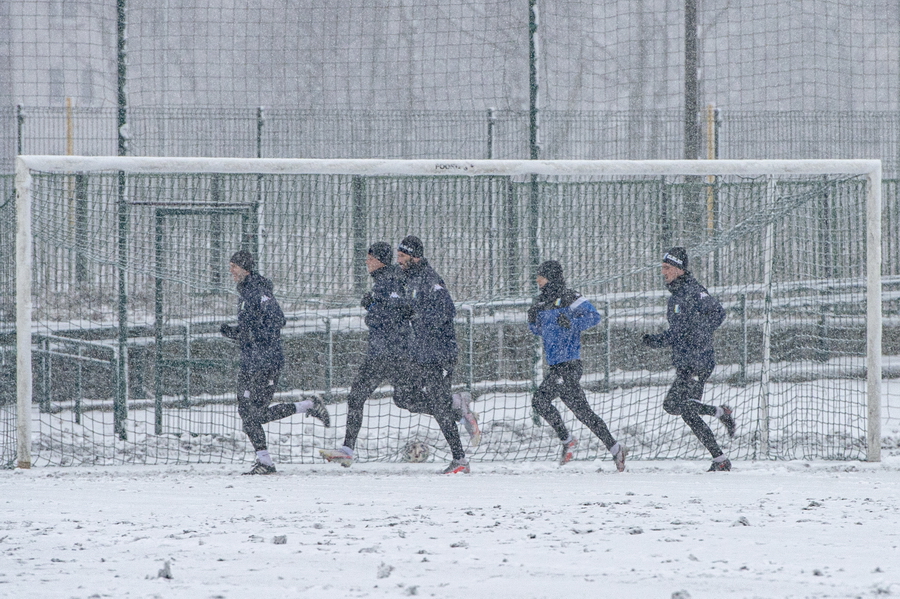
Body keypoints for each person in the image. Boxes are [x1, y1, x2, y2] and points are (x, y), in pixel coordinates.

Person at [220, 250, 330, 475]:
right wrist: (237, 332)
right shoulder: (246, 292)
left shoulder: (258, 291)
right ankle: (265, 461)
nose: (230, 270)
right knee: (247, 412)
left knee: (255, 414)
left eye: (234, 266)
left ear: (245, 268)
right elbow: (251, 327)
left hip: (265, 361)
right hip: (250, 361)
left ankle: (308, 406)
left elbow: (277, 319)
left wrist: (252, 334)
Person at [641, 247, 735, 472]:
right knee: (675, 406)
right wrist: (657, 340)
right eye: (662, 267)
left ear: (679, 269)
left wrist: (698, 333)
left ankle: (720, 457)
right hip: (685, 360)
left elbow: (718, 314)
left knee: (686, 408)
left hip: (698, 359)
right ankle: (720, 422)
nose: (663, 272)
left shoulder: (694, 291)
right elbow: (678, 332)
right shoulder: (675, 295)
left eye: (666, 268)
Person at [319, 242, 413, 467]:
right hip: (390, 351)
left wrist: (371, 309)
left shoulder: (388, 281)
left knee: (358, 396)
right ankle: (455, 409)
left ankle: (347, 449)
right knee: (407, 399)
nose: (366, 262)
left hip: (386, 353)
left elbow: (390, 316)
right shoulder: (387, 280)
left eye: (370, 258)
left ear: (380, 260)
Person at [528, 260, 626, 471]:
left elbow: (594, 317)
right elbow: (539, 330)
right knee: (582, 412)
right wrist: (532, 323)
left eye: (541, 276)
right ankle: (615, 448)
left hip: (569, 364)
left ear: (552, 277)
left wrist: (572, 323)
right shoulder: (540, 302)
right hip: (556, 365)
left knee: (540, 400)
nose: (538, 280)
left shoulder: (570, 298)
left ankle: (567, 440)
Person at [396, 235, 477, 474]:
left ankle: (460, 460)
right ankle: (456, 405)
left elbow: (446, 310)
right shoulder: (409, 279)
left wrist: (416, 315)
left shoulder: (430, 280)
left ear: (415, 257)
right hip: (419, 354)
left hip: (438, 354)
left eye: (402, 256)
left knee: (437, 403)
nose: (398, 260)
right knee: (402, 396)